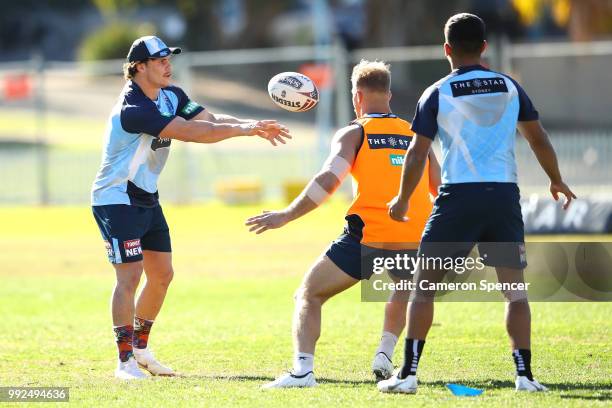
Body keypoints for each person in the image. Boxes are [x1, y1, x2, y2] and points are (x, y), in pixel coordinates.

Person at [379, 13, 576, 394]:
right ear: (484, 47)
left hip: (459, 198)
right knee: (515, 291)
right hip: (503, 196)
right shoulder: (509, 86)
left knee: (423, 287)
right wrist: (556, 178)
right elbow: (538, 138)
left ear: (447, 49)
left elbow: (417, 154)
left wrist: (402, 200)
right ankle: (525, 376)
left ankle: (408, 374)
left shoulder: (438, 91)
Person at [91, 35, 291, 380]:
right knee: (130, 276)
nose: (169, 65)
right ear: (139, 67)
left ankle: (141, 349)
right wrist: (244, 130)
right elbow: (191, 133)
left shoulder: (172, 95)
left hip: (146, 196)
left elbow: (208, 119)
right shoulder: (134, 108)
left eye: (170, 59)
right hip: (116, 197)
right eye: (160, 60)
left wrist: (251, 125)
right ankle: (124, 361)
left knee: (162, 275)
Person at [245, 60, 440, 388]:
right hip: (412, 232)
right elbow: (439, 187)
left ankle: (303, 370)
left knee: (308, 294)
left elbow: (327, 181)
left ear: (356, 96)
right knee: (404, 286)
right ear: (389, 94)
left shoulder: (355, 132)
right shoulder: (414, 133)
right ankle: (385, 352)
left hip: (368, 235)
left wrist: (286, 215)